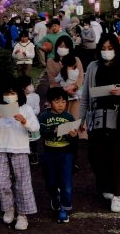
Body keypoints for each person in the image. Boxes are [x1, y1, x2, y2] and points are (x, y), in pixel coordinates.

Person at [78, 33, 120, 213]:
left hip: (119, 117)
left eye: (110, 48)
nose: (107, 52)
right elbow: (85, 97)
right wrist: (80, 120)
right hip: (98, 117)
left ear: (116, 49)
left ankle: (118, 194)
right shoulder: (93, 66)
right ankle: (106, 185)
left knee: (118, 155)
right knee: (97, 154)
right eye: (103, 49)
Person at [0, 79, 39, 231]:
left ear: (18, 94)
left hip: (20, 150)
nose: (9, 96)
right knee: (1, 181)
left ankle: (23, 214)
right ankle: (9, 208)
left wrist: (24, 121)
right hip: (1, 149)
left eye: (12, 93)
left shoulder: (25, 109)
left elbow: (35, 127)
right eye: (6, 93)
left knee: (22, 183)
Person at [39, 87, 78, 223]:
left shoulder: (69, 117)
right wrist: (53, 131)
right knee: (51, 182)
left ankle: (64, 208)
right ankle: (54, 197)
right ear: (50, 102)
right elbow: (41, 133)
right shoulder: (44, 116)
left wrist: (74, 135)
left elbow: (74, 139)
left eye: (63, 101)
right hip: (49, 153)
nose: (61, 105)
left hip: (65, 153)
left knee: (66, 183)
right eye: (57, 101)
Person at [46, 36, 84, 119]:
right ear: (57, 47)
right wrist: (64, 91)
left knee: (74, 119)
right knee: (60, 121)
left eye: (66, 46)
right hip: (58, 98)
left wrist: (74, 87)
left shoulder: (76, 60)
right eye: (61, 46)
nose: (63, 48)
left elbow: (81, 77)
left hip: (74, 96)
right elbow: (52, 81)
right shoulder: (51, 61)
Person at [18, 75, 41, 165]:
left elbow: (37, 110)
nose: (32, 86)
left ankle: (34, 154)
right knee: (24, 139)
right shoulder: (18, 97)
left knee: (33, 141)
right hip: (21, 123)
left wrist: (28, 114)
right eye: (30, 84)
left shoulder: (35, 96)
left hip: (31, 121)